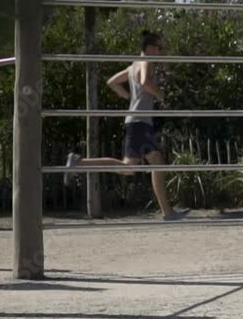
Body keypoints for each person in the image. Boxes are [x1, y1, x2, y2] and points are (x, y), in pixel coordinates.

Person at [66, 30, 183, 220]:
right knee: (153, 163)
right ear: (150, 48)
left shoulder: (132, 66)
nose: (161, 52)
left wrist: (129, 96)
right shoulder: (146, 62)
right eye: (159, 48)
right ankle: (168, 212)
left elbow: (112, 82)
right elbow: (144, 82)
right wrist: (160, 95)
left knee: (133, 167)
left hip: (135, 121)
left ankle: (78, 162)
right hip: (140, 122)